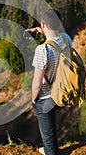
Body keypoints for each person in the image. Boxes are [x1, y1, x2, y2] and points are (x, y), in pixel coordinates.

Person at [26, 10, 72, 155]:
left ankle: (50, 150)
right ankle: (50, 148)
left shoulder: (42, 50)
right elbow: (54, 38)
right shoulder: (66, 39)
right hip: (63, 91)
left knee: (48, 136)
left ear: (44, 23)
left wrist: (33, 99)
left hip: (47, 97)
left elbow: (37, 83)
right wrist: (39, 29)